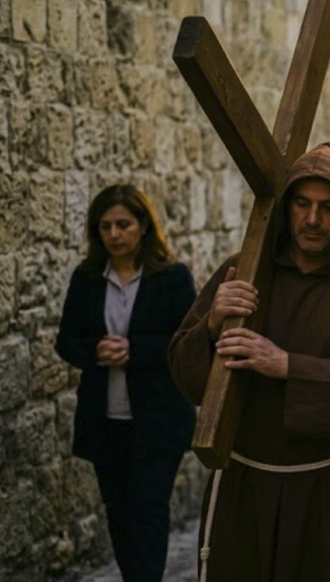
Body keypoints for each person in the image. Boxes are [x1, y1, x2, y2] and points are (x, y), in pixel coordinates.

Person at [169, 142, 330, 581]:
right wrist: (211, 324)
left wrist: (288, 366)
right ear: (286, 206)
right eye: (302, 203)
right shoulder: (244, 271)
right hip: (247, 493)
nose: (312, 219)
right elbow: (185, 377)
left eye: (328, 207)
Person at [55, 185, 196, 582]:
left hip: (158, 420)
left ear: (143, 227)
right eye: (105, 227)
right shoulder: (86, 280)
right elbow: (66, 340)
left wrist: (135, 350)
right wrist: (95, 351)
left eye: (123, 224)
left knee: (148, 510)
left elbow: (189, 343)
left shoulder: (172, 278)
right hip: (107, 419)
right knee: (118, 513)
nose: (114, 234)